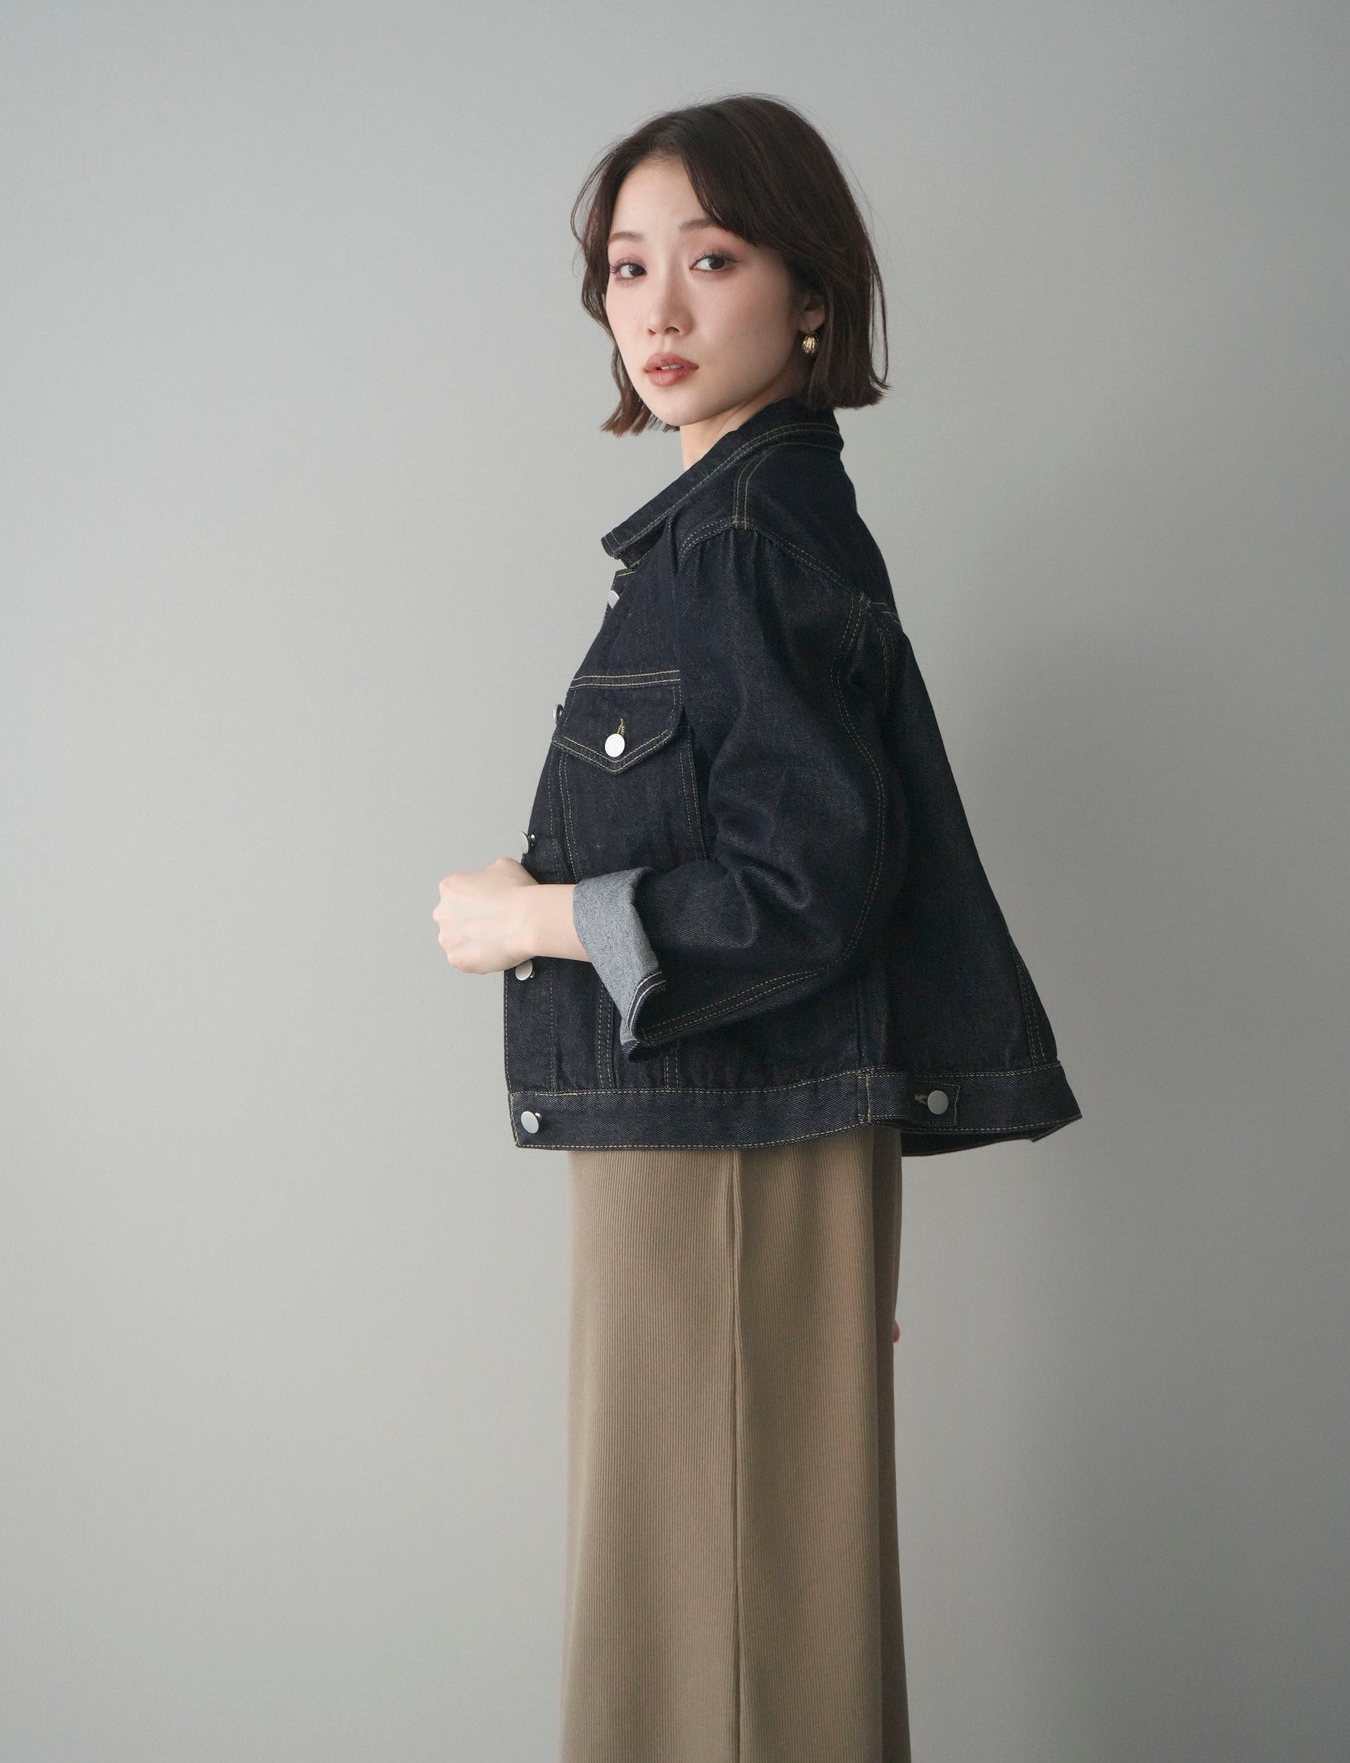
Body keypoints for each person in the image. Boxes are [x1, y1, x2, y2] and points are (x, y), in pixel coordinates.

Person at [434, 92, 1080, 1763]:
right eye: (625, 266)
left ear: (809, 296)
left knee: (698, 1630)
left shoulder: (739, 540)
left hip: (725, 1142)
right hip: (739, 1128)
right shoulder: (736, 531)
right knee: (751, 1616)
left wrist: (531, 917)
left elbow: (801, 888)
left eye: (709, 259)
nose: (655, 308)